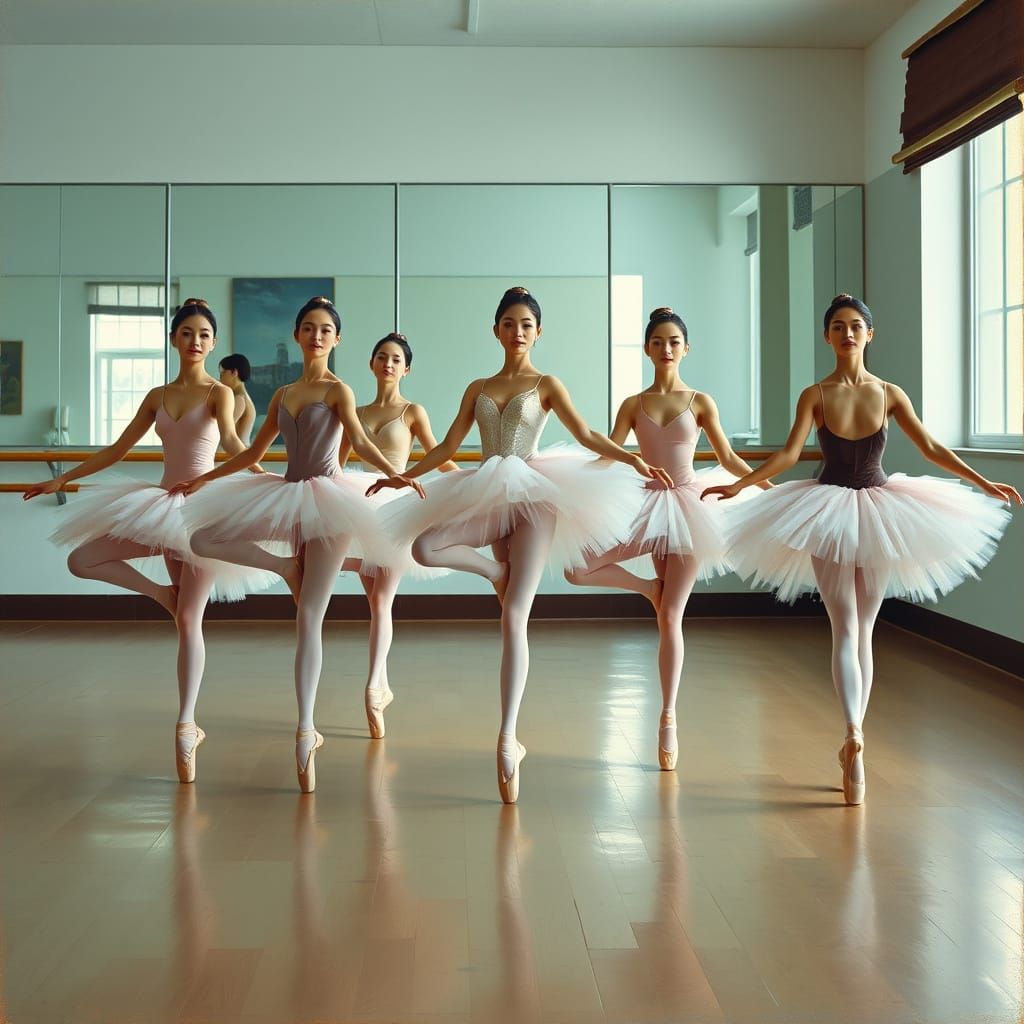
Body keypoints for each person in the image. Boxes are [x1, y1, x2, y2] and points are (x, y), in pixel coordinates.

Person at [702, 293, 1019, 805]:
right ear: (826, 337)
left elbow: (932, 447)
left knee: (855, 627)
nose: (847, 334)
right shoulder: (815, 395)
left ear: (869, 335)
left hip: (874, 508)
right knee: (850, 625)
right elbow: (787, 453)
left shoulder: (889, 394)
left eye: (855, 326)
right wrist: (739, 486)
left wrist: (983, 482)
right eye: (838, 327)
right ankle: (854, 738)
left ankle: (854, 736)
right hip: (829, 509)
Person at [369, 286, 673, 803]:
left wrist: (631, 459)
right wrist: (402, 477)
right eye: (508, 324)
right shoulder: (478, 386)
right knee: (426, 547)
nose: (517, 332)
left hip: (535, 495)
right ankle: (496, 573)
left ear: (537, 332)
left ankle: (508, 738)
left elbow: (585, 433)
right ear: (496, 331)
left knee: (514, 617)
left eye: (526, 325)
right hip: (486, 489)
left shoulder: (547, 384)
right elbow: (447, 445)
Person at [172, 296, 423, 793]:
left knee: (309, 614)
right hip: (286, 492)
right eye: (308, 327)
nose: (316, 335)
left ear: (336, 339)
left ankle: (306, 730)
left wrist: (397, 475)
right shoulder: (282, 392)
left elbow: (360, 441)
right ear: (296, 334)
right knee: (204, 535)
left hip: (330, 500)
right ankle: (285, 569)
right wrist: (206, 480)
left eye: (325, 329)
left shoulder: (338, 390)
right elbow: (254, 452)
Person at [23, 298, 273, 783]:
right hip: (160, 505)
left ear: (213, 343)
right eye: (186, 333)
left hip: (203, 508)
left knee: (189, 619)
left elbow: (235, 445)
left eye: (203, 334)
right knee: (84, 558)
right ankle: (162, 594)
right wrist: (63, 480)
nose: (195, 341)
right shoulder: (158, 395)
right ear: (174, 339)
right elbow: (118, 449)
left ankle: (186, 723)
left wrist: (268, 478)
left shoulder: (220, 393)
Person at [565, 306, 769, 771]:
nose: (666, 348)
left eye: (674, 341)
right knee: (576, 567)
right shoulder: (633, 405)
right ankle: (647, 589)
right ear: (647, 348)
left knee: (671, 617)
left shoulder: (700, 401)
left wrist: (768, 487)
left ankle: (667, 717)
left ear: (685, 348)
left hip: (690, 508)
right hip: (644, 505)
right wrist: (569, 482)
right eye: (658, 341)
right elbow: (609, 456)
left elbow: (728, 457)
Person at [338, 331, 458, 738]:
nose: (387, 364)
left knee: (382, 599)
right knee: (373, 598)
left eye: (395, 359)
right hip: (357, 503)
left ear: (406, 369)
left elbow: (438, 456)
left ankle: (373, 686)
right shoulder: (353, 411)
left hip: (393, 508)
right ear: (371, 363)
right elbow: (336, 463)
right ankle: (382, 686)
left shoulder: (412, 412)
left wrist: (471, 488)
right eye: (381, 357)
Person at [218, 353, 256, 444]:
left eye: (223, 372)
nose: (220, 377)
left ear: (234, 372)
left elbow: (224, 430)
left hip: (238, 453)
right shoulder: (242, 397)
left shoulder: (239, 399)